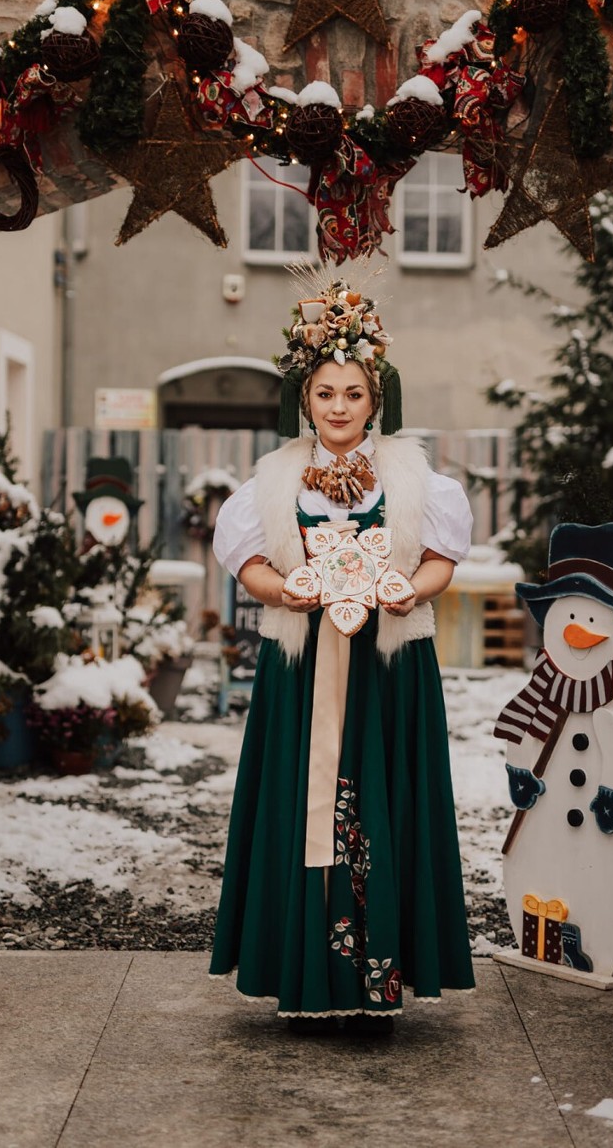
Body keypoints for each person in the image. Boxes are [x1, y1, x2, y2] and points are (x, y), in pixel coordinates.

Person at [210, 263, 475, 1032]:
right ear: (305, 399)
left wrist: (409, 590)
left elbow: (438, 562)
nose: (338, 407)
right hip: (303, 673)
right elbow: (252, 563)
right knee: (302, 807)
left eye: (353, 393)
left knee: (386, 802)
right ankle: (305, 973)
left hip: (389, 670)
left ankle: (382, 980)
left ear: (375, 399)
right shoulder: (274, 480)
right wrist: (283, 591)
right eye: (325, 393)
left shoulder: (417, 478)